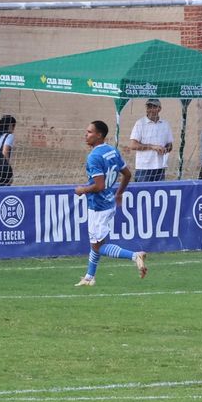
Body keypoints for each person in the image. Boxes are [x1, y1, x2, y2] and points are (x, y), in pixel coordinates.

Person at [72, 120, 143, 288]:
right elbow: (127, 174)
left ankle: (135, 256)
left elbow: (99, 186)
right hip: (109, 203)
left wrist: (83, 189)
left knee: (98, 246)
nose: (86, 135)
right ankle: (89, 277)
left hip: (98, 206)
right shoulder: (112, 151)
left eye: (89, 132)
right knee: (96, 242)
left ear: (99, 135)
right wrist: (119, 193)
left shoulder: (94, 157)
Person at [127, 98, 172, 182]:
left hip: (160, 166)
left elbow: (170, 144)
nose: (150, 109)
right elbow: (133, 145)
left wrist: (166, 149)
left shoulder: (165, 124)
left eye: (153, 107)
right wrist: (152, 147)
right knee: (141, 191)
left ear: (159, 109)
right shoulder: (140, 123)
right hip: (144, 167)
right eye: (149, 107)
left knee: (159, 190)